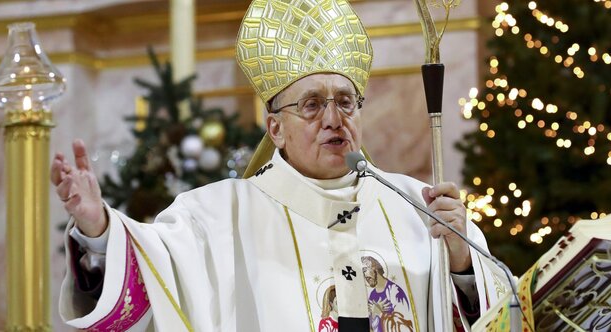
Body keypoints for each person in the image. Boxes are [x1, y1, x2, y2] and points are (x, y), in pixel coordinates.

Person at [53, 0, 506, 331]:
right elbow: (147, 287)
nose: (334, 119)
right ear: (275, 129)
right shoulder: (214, 217)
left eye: (346, 102)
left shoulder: (417, 207)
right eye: (311, 105)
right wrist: (99, 231)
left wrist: (463, 260)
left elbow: (496, 313)